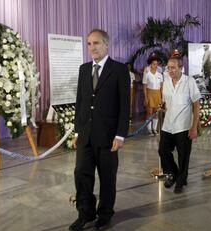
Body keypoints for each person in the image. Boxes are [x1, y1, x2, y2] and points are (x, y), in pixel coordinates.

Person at [71, 29, 130, 231]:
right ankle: (85, 213)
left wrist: (120, 134)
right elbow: (80, 102)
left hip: (108, 136)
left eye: (96, 43)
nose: (92, 48)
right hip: (86, 135)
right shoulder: (83, 69)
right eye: (89, 44)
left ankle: (104, 214)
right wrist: (77, 132)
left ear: (106, 44)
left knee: (107, 178)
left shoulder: (120, 70)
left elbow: (124, 107)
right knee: (81, 174)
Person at [158, 56, 201, 194]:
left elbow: (196, 104)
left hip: (183, 125)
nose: (170, 70)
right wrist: (163, 106)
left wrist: (194, 126)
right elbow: (166, 102)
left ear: (181, 68)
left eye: (173, 67)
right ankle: (174, 174)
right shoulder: (165, 82)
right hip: (168, 124)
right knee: (163, 151)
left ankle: (181, 182)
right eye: (168, 68)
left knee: (183, 156)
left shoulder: (189, 81)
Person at [143, 56, 163, 136]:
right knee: (149, 112)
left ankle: (154, 129)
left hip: (157, 94)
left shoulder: (160, 75)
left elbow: (161, 87)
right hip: (149, 93)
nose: (155, 66)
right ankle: (149, 130)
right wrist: (145, 98)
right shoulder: (147, 74)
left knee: (156, 113)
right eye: (154, 64)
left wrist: (162, 97)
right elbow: (144, 87)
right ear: (150, 65)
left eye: (156, 64)